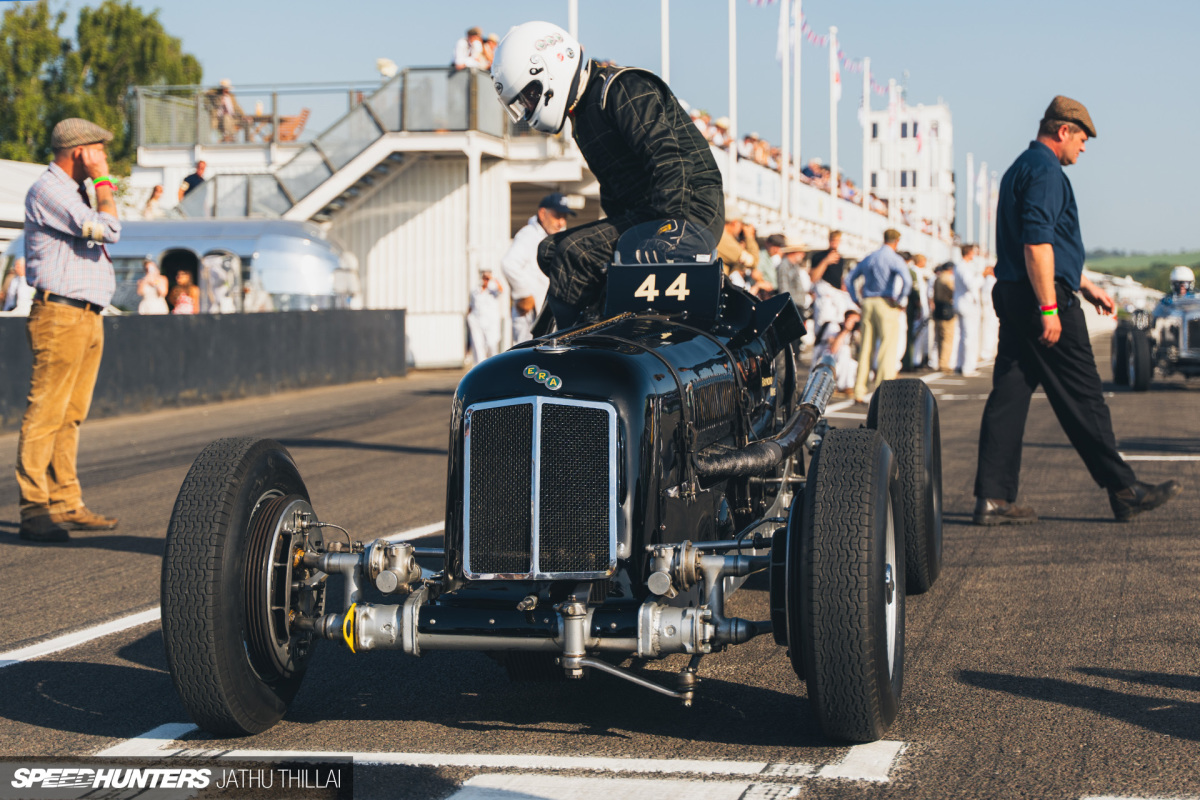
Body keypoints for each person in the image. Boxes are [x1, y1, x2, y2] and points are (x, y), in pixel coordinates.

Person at [973, 95, 1181, 525]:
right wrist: (1050, 307)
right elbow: (1037, 244)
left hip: (1015, 295)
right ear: (1063, 130)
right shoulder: (1047, 172)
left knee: (1009, 396)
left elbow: (1048, 246)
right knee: (1085, 397)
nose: (1084, 147)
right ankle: (1125, 490)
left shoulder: (1019, 168)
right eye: (1082, 138)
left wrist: (1085, 285)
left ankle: (993, 498)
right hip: (1040, 299)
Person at [491, 21, 724, 329]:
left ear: (548, 70)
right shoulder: (583, 114)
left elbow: (672, 161)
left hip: (691, 211)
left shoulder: (621, 88)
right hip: (651, 215)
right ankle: (584, 328)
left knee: (574, 253)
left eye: (529, 96)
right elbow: (616, 192)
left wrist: (670, 230)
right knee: (549, 251)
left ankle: (570, 342)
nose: (529, 106)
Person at [17, 118, 122, 542]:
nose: (104, 156)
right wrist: (103, 180)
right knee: (46, 413)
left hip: (86, 315)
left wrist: (96, 184)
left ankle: (64, 501)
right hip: (60, 314)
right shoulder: (50, 190)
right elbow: (109, 229)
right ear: (80, 151)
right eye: (100, 149)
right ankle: (34, 508)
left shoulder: (73, 193)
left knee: (70, 416)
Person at [846, 228, 911, 404]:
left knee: (866, 347)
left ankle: (859, 390)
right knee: (887, 347)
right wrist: (899, 300)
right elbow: (907, 281)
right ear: (897, 241)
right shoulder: (894, 258)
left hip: (868, 302)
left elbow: (850, 278)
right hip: (885, 302)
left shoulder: (870, 257)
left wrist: (856, 299)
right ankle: (883, 391)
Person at [500, 192, 574, 343]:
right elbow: (509, 264)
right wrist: (523, 295)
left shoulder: (552, 238)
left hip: (546, 314)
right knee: (527, 353)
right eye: (557, 216)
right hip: (531, 316)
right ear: (542, 214)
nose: (561, 222)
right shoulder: (528, 235)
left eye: (564, 217)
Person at [953, 243, 984, 376]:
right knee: (969, 336)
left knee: (964, 336)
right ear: (969, 253)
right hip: (967, 304)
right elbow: (970, 284)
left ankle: (961, 364)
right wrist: (981, 276)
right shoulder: (963, 266)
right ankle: (967, 366)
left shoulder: (963, 266)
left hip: (964, 303)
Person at [467, 269, 503, 363]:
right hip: (476, 320)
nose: (485, 280)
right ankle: (479, 365)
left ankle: (493, 364)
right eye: (484, 278)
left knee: (492, 344)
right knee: (477, 345)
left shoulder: (493, 291)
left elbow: (501, 289)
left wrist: (492, 279)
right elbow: (471, 306)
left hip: (491, 322)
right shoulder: (475, 291)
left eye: (487, 279)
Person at [932, 262, 957, 372]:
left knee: (939, 337)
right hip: (946, 308)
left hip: (938, 309)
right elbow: (953, 292)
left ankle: (940, 361)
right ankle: (944, 363)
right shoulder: (948, 279)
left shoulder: (938, 278)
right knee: (947, 338)